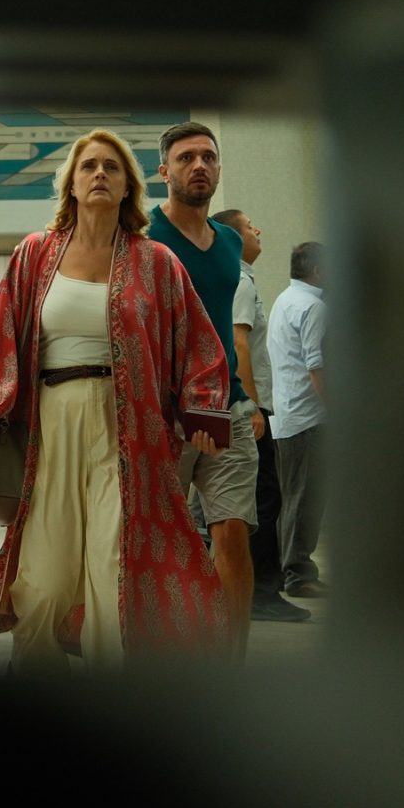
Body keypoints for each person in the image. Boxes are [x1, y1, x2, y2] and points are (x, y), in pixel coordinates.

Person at [0, 129, 230, 676]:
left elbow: (198, 342)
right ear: (72, 184)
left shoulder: (156, 262)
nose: (100, 174)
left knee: (115, 567)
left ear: (129, 186)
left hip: (128, 429)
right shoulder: (35, 254)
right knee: (43, 575)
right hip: (50, 425)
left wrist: (203, 409)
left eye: (112, 166)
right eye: (88, 166)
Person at [146, 121, 258, 658]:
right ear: (164, 171)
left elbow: (231, 328)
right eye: (186, 157)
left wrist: (249, 400)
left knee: (232, 530)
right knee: (160, 539)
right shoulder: (142, 236)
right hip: (163, 410)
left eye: (208, 157)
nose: (199, 166)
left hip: (225, 406)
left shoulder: (231, 242)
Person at [211, 209, 310, 623]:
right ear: (234, 237)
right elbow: (238, 344)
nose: (258, 230)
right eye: (250, 226)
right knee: (263, 500)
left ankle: (252, 590)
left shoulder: (239, 277)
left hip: (252, 405)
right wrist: (250, 406)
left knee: (259, 499)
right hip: (248, 408)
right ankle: (262, 595)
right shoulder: (238, 278)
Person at [268, 242, 328, 598]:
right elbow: (316, 366)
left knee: (292, 499)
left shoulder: (286, 299)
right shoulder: (314, 306)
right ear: (318, 271)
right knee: (306, 500)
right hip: (309, 416)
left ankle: (289, 570)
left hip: (288, 414)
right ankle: (299, 575)